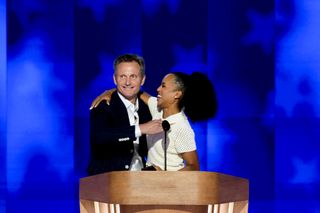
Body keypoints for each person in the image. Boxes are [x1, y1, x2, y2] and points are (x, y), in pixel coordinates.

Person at [91, 71, 218, 171]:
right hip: (150, 184)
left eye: (163, 86)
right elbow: (133, 90)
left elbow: (193, 166)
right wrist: (110, 92)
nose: (158, 89)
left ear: (177, 94)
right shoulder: (156, 107)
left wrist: (165, 176)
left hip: (171, 189)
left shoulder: (182, 127)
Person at [87, 53, 163, 176]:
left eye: (133, 76)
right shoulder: (103, 105)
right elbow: (100, 137)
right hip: (108, 181)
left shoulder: (148, 108)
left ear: (142, 79)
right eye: (122, 76)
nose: (128, 82)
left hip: (143, 181)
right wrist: (140, 129)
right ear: (114, 79)